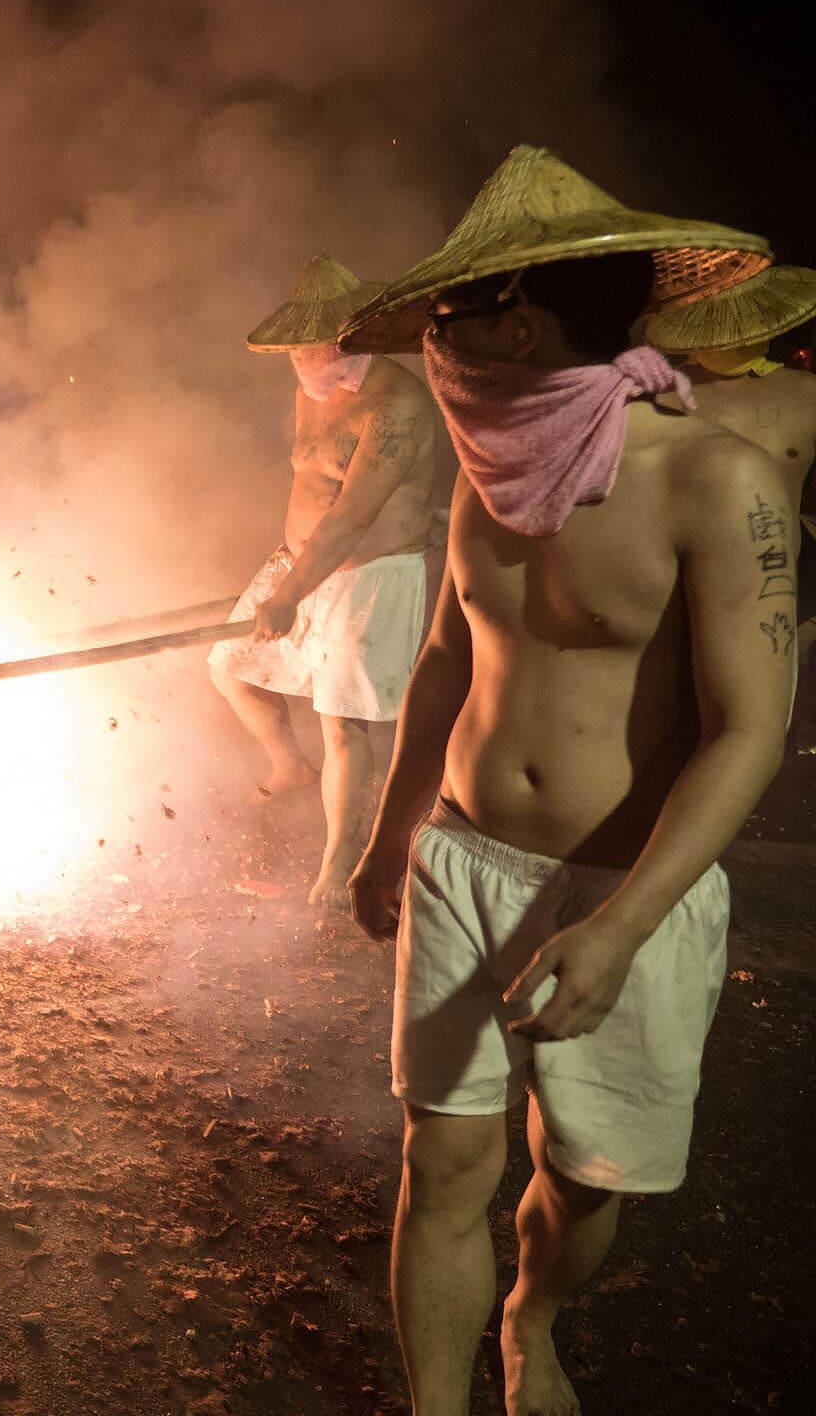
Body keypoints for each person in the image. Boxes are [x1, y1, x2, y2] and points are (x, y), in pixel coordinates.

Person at [340, 146, 786, 1416]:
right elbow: (441, 663)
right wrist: (389, 843)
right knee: (444, 1159)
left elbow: (749, 728)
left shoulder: (716, 480)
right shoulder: (495, 477)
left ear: (517, 320)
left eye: (447, 322)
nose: (439, 353)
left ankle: (535, 1322)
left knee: (585, 1181)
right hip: (463, 860)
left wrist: (621, 924)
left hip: (620, 888)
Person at [208, 254, 446, 908]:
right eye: (293, 353)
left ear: (351, 340)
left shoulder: (396, 405)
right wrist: (286, 576)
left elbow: (350, 516)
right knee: (228, 665)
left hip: (369, 574)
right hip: (299, 562)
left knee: (343, 723)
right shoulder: (309, 388)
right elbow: (312, 479)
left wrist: (288, 597)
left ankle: (342, 861)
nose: (301, 363)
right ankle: (288, 765)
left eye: (313, 350)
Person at [645, 264, 816, 647]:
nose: (729, 337)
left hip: (781, 608)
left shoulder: (807, 395)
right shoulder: (657, 399)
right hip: (675, 613)